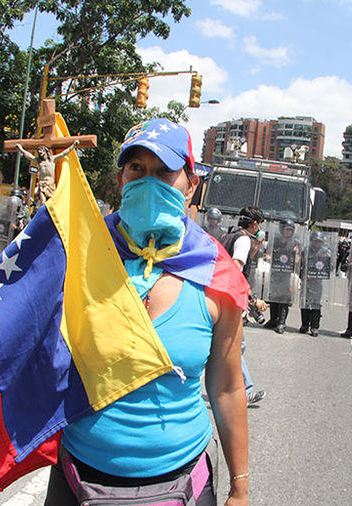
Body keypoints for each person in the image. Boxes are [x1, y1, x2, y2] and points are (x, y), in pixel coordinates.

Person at [46, 118, 249, 505]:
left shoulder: (216, 274)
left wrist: (240, 486)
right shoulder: (80, 252)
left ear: (191, 186)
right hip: (76, 478)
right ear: (120, 180)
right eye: (137, 169)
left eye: (164, 172)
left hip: (181, 484)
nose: (149, 181)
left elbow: (227, 388)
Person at [221, 206, 267, 407]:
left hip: (220, 297)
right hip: (230, 300)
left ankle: (233, 388)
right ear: (255, 224)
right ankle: (244, 391)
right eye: (260, 225)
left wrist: (255, 247)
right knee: (234, 347)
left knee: (229, 347)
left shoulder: (228, 236)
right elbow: (235, 269)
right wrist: (252, 298)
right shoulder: (242, 241)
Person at [264, 219, 301, 334]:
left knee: (284, 298)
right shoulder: (275, 241)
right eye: (286, 230)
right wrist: (268, 257)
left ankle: (282, 322)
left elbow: (298, 260)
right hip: (275, 272)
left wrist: (296, 255)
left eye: (290, 230)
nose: (288, 232)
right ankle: (273, 319)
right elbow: (267, 254)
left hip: (287, 274)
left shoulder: (295, 243)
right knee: (273, 296)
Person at [299, 231, 333, 337]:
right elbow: (300, 263)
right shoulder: (306, 250)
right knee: (304, 302)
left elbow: (330, 266)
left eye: (319, 241)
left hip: (318, 281)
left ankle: (314, 326)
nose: (317, 243)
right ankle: (305, 324)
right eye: (315, 241)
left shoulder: (325, 252)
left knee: (316, 304)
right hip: (306, 280)